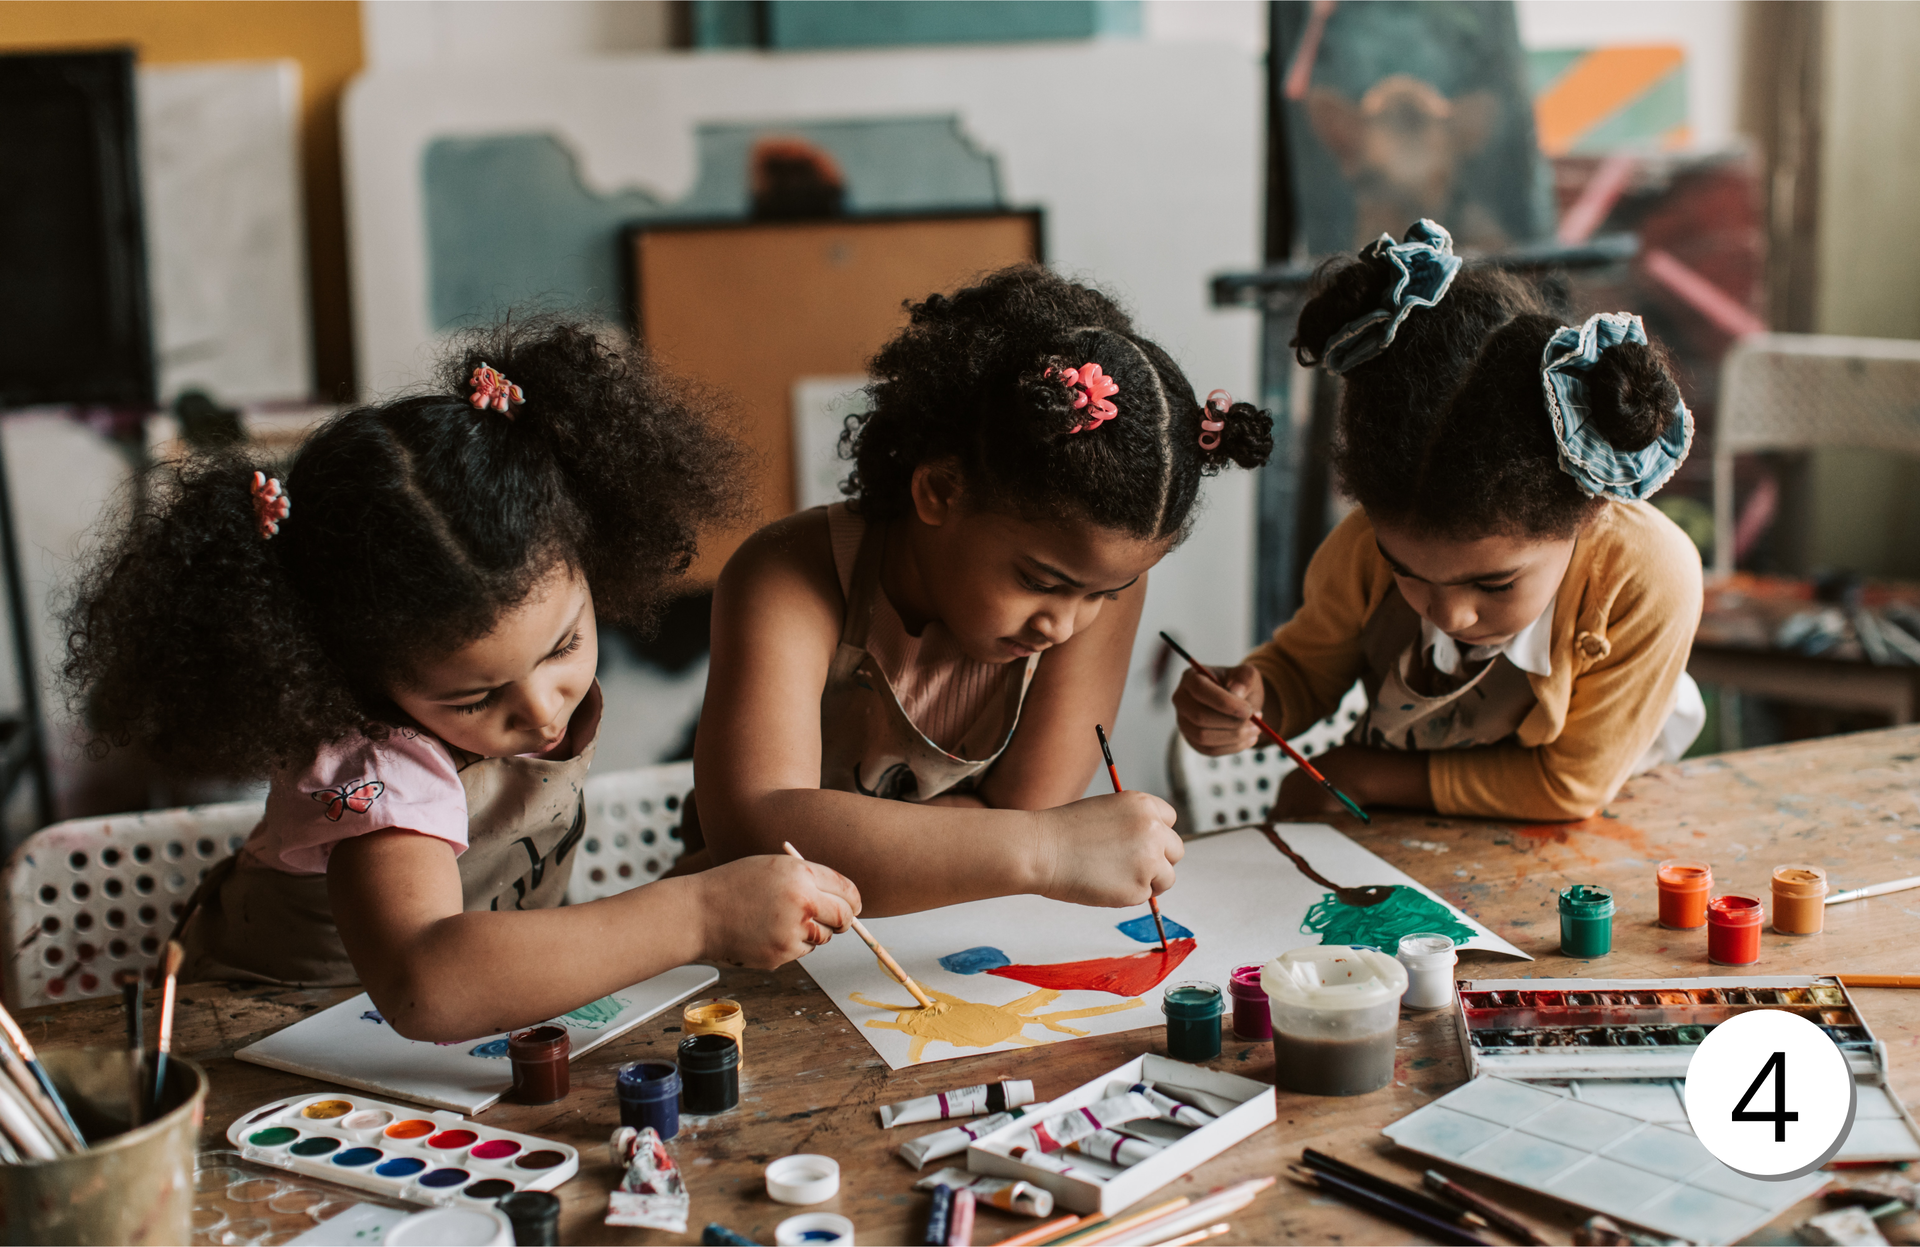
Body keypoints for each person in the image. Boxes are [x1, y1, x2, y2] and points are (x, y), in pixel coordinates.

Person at [63, 319, 859, 1041]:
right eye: (475, 697)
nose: (541, 708)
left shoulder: (519, 690)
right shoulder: (379, 765)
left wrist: (708, 885)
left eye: (564, 645)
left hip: (423, 1049)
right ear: (362, 672)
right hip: (265, 1046)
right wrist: (699, 913)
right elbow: (426, 982)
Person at [694, 266, 1273, 915]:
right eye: (1038, 582)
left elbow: (1029, 807)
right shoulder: (788, 576)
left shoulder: (1090, 587)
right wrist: (1046, 848)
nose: (1063, 625)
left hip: (955, 937)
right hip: (764, 939)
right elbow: (756, 836)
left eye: (1104, 594)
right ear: (941, 491)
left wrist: (833, 831)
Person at [1175, 221, 1705, 822]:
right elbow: (1305, 672)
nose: (1450, 616)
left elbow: (1570, 786)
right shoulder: (1364, 549)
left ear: (1589, 512)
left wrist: (1357, 773)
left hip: (1592, 832)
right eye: (1406, 573)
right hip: (1403, 821)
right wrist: (1253, 700)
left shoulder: (1646, 579)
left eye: (1494, 584)